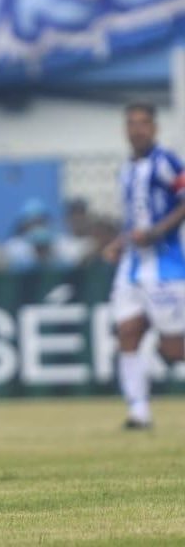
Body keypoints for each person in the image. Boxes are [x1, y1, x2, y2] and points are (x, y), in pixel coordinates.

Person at [103, 102, 185, 431]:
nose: (137, 129)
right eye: (132, 123)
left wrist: (156, 232)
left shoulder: (166, 162)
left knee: (173, 349)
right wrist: (119, 243)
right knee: (127, 331)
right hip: (131, 266)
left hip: (165, 265)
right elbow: (134, 220)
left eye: (143, 123)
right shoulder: (125, 170)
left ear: (154, 128)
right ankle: (139, 411)